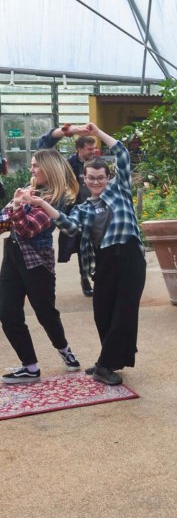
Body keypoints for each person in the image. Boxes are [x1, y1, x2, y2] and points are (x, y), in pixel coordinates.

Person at [23, 123, 146, 386]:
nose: (97, 182)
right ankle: (110, 360)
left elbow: (122, 152)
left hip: (129, 256)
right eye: (91, 178)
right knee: (102, 312)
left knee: (124, 311)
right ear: (84, 179)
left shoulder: (119, 190)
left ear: (108, 177)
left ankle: (104, 366)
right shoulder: (85, 207)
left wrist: (98, 132)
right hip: (103, 261)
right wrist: (43, 204)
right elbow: (69, 226)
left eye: (101, 178)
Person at [0, 146, 81, 384]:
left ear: (49, 167)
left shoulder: (58, 198)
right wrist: (12, 209)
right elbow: (3, 223)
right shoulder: (28, 190)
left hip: (37, 261)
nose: (31, 169)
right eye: (32, 165)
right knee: (6, 312)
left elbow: (28, 229)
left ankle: (64, 349)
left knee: (45, 313)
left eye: (36, 165)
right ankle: (30, 366)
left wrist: (15, 209)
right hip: (13, 255)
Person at [36, 127, 98, 296]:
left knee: (96, 246)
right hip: (75, 213)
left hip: (95, 212)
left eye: (94, 148)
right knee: (81, 247)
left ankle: (96, 277)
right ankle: (85, 279)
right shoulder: (68, 164)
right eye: (89, 149)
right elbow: (43, 147)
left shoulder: (97, 164)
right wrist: (63, 131)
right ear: (79, 149)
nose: (93, 151)